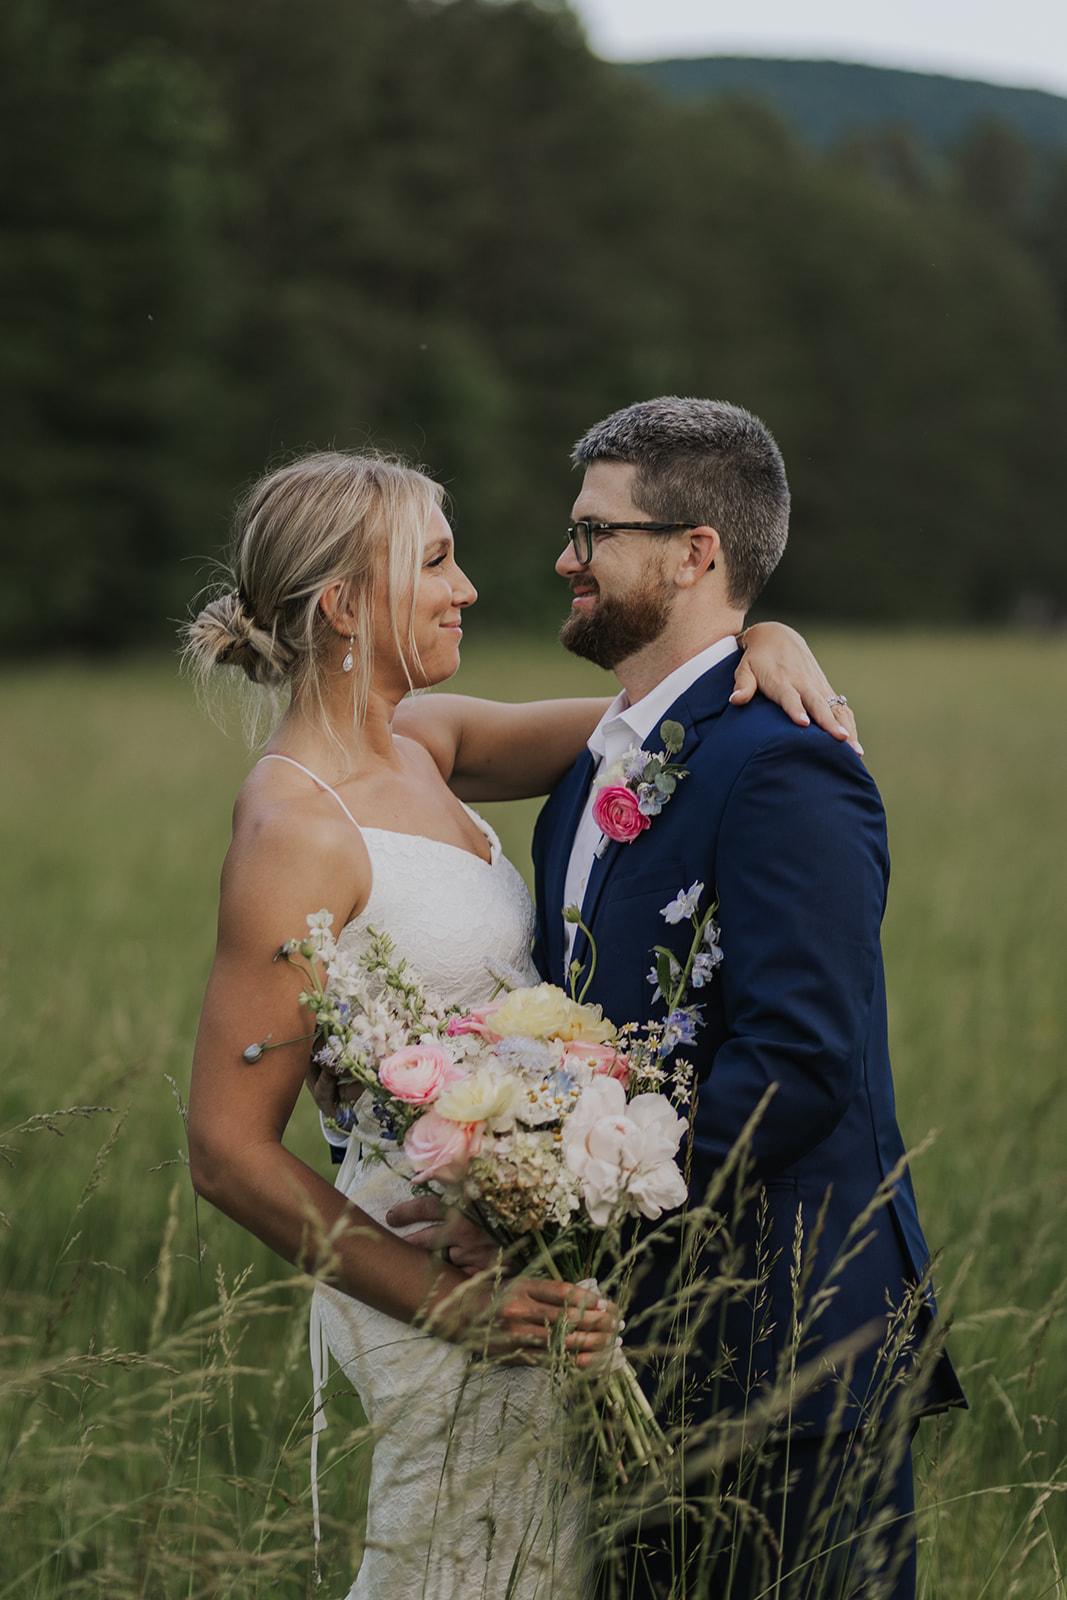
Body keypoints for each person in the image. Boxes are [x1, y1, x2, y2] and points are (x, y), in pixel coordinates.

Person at [183, 449, 864, 1600]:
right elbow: (224, 1148)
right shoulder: (295, 821)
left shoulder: (425, 739)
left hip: (535, 1253)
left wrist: (761, 638)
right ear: (344, 605)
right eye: (437, 562)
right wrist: (450, 1307)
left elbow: (656, 717)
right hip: (436, 1270)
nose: (470, 588)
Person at [525, 398, 966, 1598]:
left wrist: (588, 1213)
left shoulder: (788, 764)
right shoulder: (592, 771)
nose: (565, 558)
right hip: (629, 1346)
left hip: (785, 1348)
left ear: (692, 553)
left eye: (591, 531)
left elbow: (799, 1058)